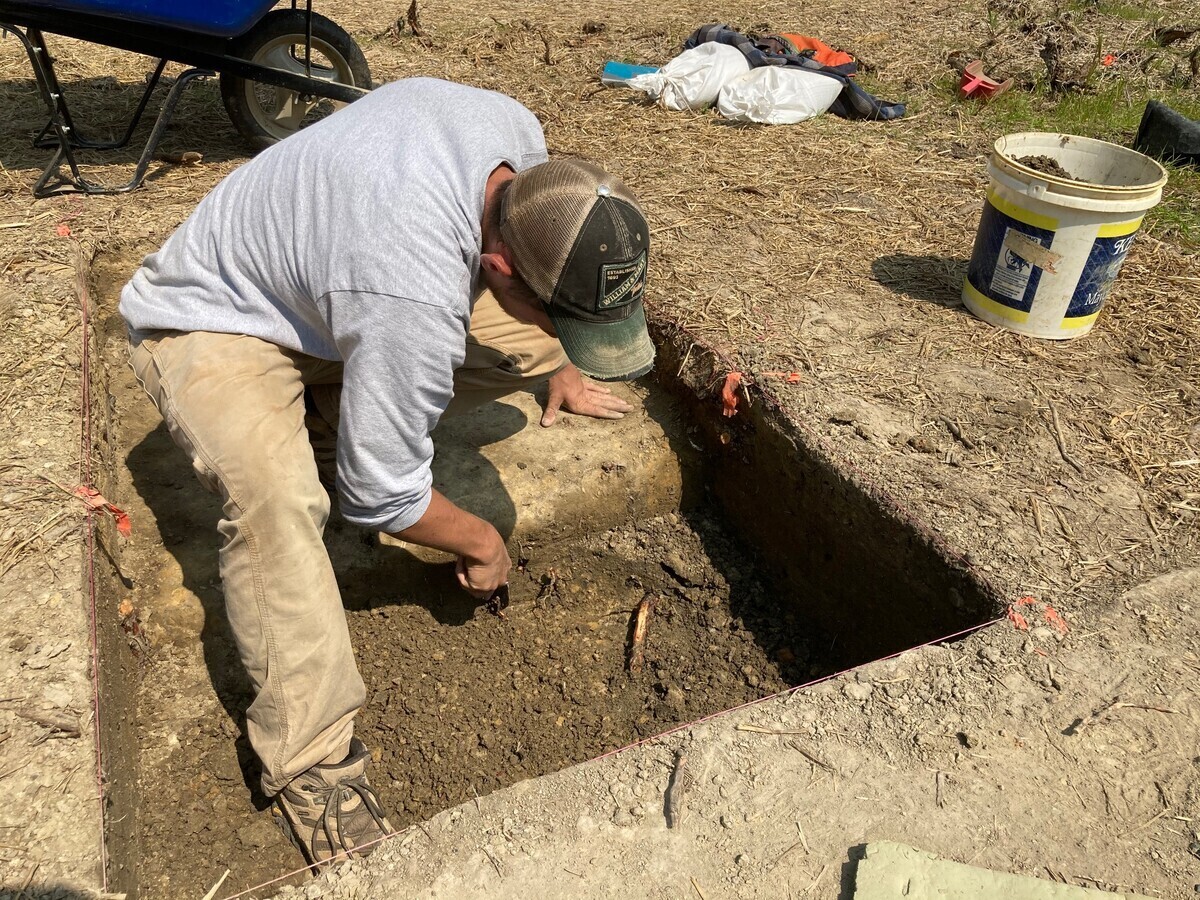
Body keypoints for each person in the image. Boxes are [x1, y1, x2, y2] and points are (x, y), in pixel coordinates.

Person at [118, 77, 655, 866]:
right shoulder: (409, 288)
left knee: (527, 347)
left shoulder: (517, 137)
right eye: (557, 307)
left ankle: (340, 411)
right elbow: (381, 498)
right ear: (499, 267)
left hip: (331, 281)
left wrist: (559, 364)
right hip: (217, 316)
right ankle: (312, 764)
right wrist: (479, 544)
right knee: (278, 503)